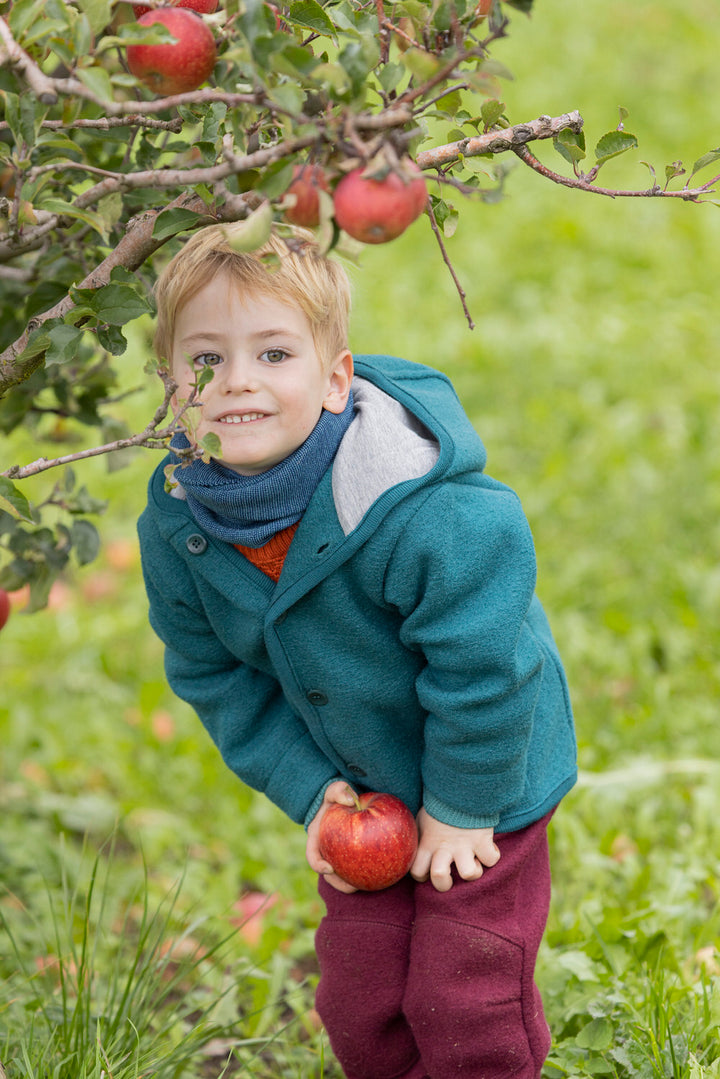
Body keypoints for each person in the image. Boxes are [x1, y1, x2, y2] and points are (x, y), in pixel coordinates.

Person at [137, 221, 577, 1079]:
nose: (235, 382)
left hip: (486, 776)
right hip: (362, 795)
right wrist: (311, 789)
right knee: (359, 994)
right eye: (204, 360)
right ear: (167, 383)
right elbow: (213, 674)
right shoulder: (180, 526)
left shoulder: (422, 510)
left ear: (337, 378)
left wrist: (464, 803)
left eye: (273, 354)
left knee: (464, 990)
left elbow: (485, 669)